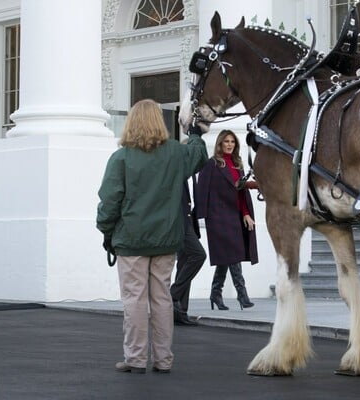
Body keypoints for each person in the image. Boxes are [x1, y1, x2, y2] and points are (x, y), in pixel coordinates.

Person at [96, 99, 207, 374]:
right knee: (162, 299)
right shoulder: (175, 154)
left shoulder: (121, 158)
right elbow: (198, 155)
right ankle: (163, 359)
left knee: (134, 299)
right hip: (166, 239)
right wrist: (194, 132)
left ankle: (135, 358)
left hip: (131, 239)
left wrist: (106, 231)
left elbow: (110, 201)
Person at [195, 129, 259, 311]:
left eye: (232, 141)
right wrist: (203, 217)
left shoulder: (237, 164)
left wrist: (246, 213)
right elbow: (202, 189)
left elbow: (241, 192)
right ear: (220, 144)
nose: (229, 144)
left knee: (227, 256)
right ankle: (242, 295)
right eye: (226, 141)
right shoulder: (212, 164)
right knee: (233, 254)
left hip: (235, 215)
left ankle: (216, 293)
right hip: (218, 218)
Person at [170, 177, 207, 326]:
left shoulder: (194, 174)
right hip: (179, 222)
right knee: (199, 255)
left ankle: (180, 313)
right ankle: (173, 294)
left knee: (185, 262)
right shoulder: (177, 168)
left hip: (189, 221)